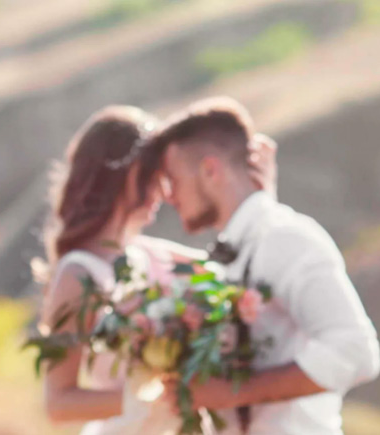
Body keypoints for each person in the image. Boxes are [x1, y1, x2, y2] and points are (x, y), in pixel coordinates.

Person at [35, 105, 275, 434]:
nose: (165, 192)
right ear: (127, 173)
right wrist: (152, 396)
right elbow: (58, 404)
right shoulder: (77, 274)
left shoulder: (150, 253)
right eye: (156, 176)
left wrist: (261, 196)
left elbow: (236, 270)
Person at [150, 97, 380, 434]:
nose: (169, 196)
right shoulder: (229, 254)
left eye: (172, 179)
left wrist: (231, 392)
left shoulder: (287, 238)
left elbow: (356, 353)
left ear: (210, 170)